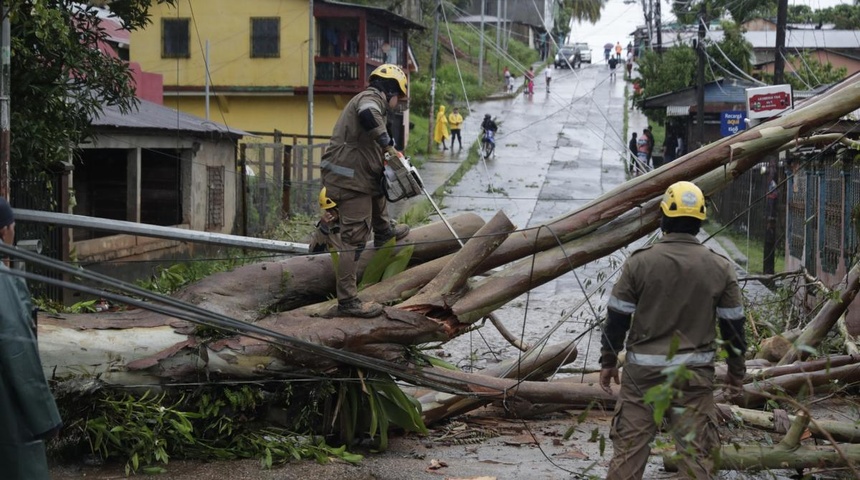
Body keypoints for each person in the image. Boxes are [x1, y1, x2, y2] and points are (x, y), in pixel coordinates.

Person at [599, 181, 747, 480]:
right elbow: (733, 327)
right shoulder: (720, 267)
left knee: (628, 454)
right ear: (700, 221)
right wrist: (736, 372)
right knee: (696, 459)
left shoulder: (639, 263)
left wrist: (608, 361)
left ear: (663, 217)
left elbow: (617, 318)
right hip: (693, 379)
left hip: (642, 380)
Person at [320, 63, 411, 318]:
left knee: (377, 189)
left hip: (361, 176)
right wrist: (386, 143)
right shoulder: (370, 99)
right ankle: (347, 302)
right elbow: (367, 113)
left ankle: (384, 231)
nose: (397, 103)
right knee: (354, 239)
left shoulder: (374, 102)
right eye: (398, 98)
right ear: (391, 90)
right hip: (349, 179)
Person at [0, 197, 64, 479]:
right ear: (4, 232)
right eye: (12, 226)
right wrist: (46, 417)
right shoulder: (3, 282)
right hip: (7, 408)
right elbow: (18, 351)